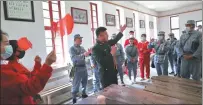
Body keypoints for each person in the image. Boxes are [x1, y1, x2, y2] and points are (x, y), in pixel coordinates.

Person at [0, 30, 56, 104]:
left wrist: (37, 65)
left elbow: (29, 77)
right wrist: (47, 64)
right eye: (6, 44)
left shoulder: (13, 65)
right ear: (15, 51)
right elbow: (29, 86)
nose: (23, 50)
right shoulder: (5, 70)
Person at [92, 24, 127, 89]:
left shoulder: (106, 42)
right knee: (108, 93)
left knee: (115, 90)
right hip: (105, 75)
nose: (107, 35)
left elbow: (115, 40)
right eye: (105, 34)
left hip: (113, 71)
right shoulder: (96, 48)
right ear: (100, 36)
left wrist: (121, 31)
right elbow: (101, 61)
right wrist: (111, 54)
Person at [69, 34, 91, 104]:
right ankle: (74, 98)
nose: (81, 40)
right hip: (76, 68)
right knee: (76, 84)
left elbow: (86, 54)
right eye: (79, 39)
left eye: (81, 38)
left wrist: (90, 53)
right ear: (75, 40)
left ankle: (84, 94)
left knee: (85, 82)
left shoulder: (82, 48)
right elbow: (74, 58)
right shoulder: (72, 49)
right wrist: (83, 55)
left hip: (83, 67)